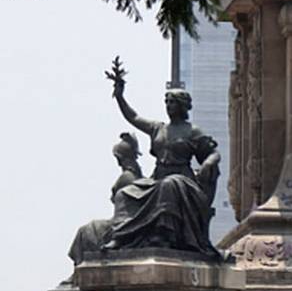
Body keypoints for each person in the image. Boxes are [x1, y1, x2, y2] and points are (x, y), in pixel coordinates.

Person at [101, 56, 222, 257]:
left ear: (182, 105)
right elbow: (134, 117)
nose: (168, 105)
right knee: (126, 193)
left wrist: (208, 163)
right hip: (157, 178)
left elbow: (213, 153)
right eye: (166, 101)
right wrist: (120, 96)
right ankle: (121, 236)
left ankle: (165, 235)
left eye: (172, 102)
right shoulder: (158, 128)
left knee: (169, 185)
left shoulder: (192, 131)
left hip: (183, 181)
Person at [68, 132, 143, 265]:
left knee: (87, 230)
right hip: (124, 219)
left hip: (122, 223)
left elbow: (118, 201)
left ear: (121, 158)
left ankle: (80, 268)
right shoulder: (136, 175)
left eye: (118, 158)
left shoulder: (127, 177)